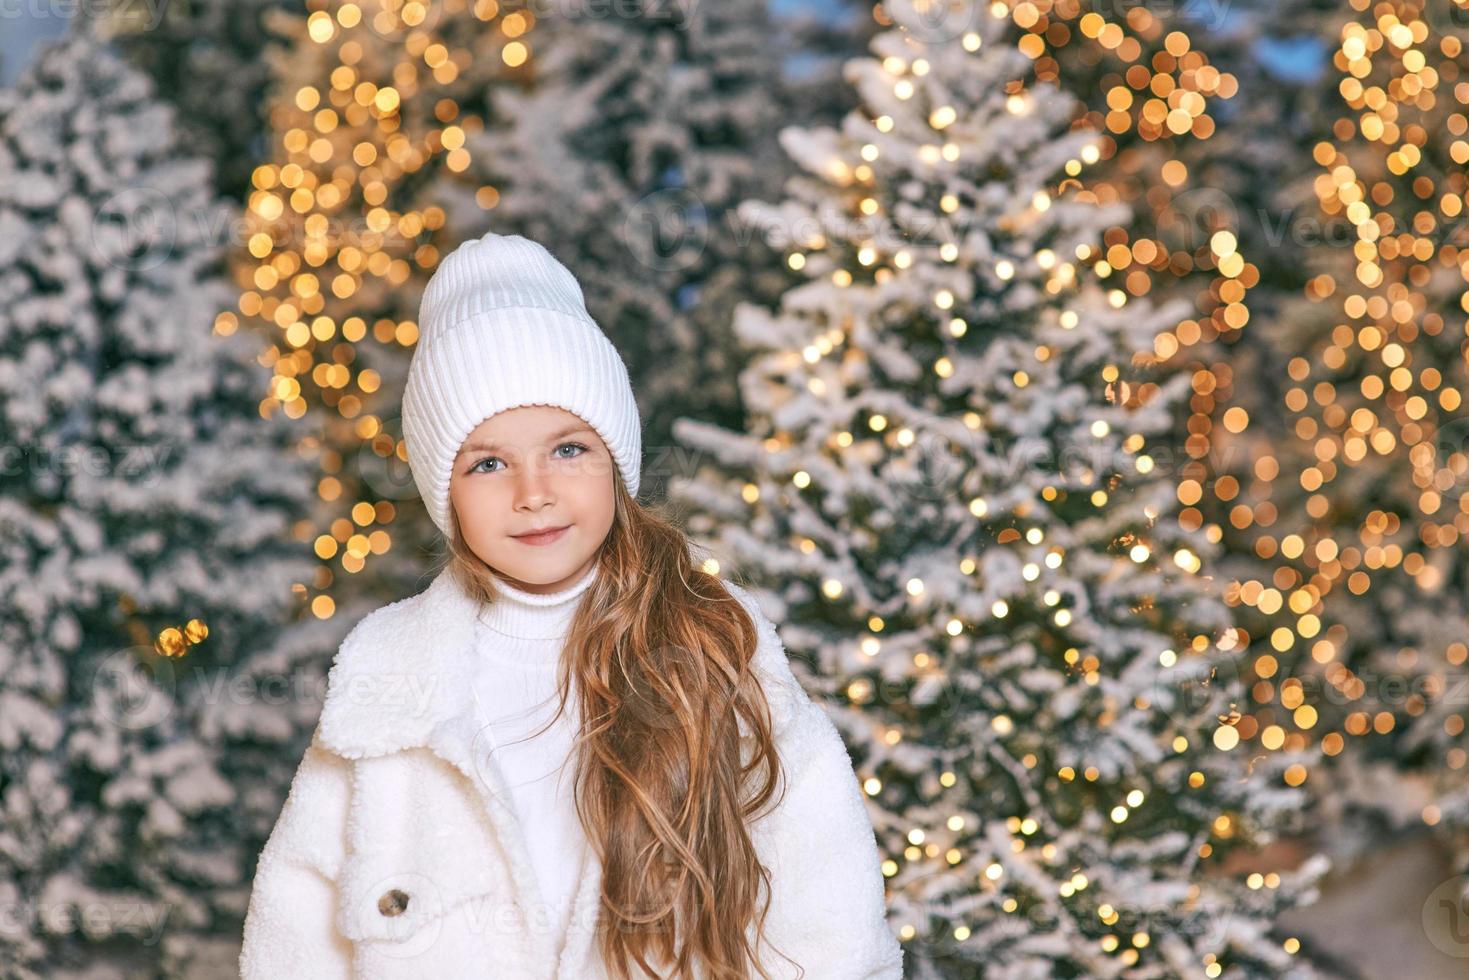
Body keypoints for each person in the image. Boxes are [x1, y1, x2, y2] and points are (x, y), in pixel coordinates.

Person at [238, 232, 904, 979]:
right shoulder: (387, 691)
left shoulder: (718, 650)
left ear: (615, 462)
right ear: (442, 492)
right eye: (488, 463)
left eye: (567, 449)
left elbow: (832, 927)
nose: (533, 493)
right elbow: (293, 942)